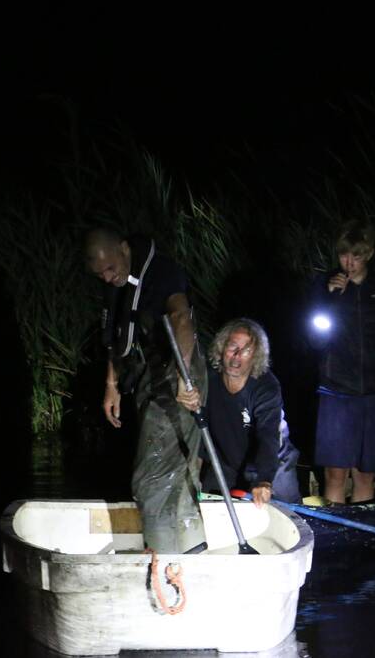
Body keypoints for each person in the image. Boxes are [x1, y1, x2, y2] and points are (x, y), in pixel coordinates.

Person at [85, 227, 208, 553]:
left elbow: (182, 317)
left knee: (150, 481)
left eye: (111, 267)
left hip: (177, 373)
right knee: (177, 476)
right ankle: (192, 557)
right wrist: (111, 385)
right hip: (147, 377)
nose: (109, 277)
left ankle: (164, 569)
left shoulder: (161, 272)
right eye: (100, 274)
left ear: (124, 249)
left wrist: (185, 378)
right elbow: (117, 338)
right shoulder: (118, 283)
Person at [308, 220, 375, 504]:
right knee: (335, 474)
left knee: (365, 474)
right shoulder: (324, 285)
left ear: (369, 254)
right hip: (336, 390)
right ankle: (338, 534)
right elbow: (314, 340)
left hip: (373, 393)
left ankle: (361, 536)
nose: (349, 262)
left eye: (356, 255)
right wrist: (330, 300)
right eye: (343, 255)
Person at [175, 318, 301, 507]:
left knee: (288, 514)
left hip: (273, 459)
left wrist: (264, 480)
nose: (237, 356)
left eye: (246, 351)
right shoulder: (207, 378)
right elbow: (200, 432)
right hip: (225, 460)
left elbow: (268, 436)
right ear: (221, 348)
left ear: (256, 356)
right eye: (232, 347)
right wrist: (185, 392)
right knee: (209, 509)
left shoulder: (266, 386)